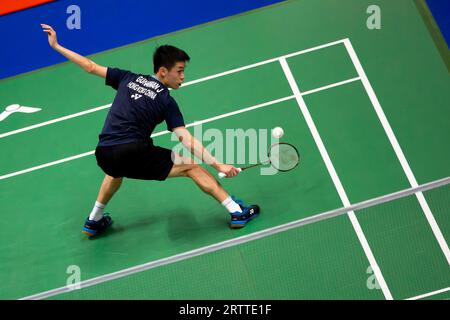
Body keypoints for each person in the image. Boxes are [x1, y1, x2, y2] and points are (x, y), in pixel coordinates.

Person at [41, 24, 260, 237]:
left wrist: (57, 46)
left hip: (104, 152)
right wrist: (218, 164)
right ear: (163, 72)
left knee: (115, 171)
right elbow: (186, 140)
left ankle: (94, 220)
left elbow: (90, 66)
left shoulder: (128, 78)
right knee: (191, 167)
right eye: (179, 71)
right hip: (134, 150)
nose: (183, 76)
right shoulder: (166, 101)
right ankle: (236, 211)